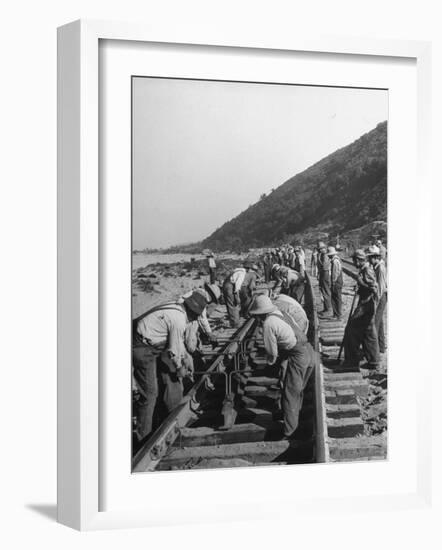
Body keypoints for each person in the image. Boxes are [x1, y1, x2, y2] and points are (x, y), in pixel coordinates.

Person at [132, 291, 208, 440]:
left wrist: (186, 358)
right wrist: (180, 368)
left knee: (161, 382)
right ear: (193, 313)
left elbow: (178, 344)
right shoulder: (179, 320)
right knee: (149, 393)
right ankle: (144, 438)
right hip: (141, 347)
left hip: (152, 343)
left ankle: (160, 418)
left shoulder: (177, 308)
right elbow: (173, 350)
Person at [249, 295, 316, 438]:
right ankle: (295, 419)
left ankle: (290, 431)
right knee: (297, 389)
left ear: (260, 314)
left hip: (298, 355)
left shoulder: (268, 324)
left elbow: (272, 353)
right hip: (309, 351)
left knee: (289, 393)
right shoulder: (280, 312)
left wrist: (269, 363)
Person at [342, 249, 380, 370]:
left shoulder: (367, 270)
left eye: (354, 260)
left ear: (359, 260)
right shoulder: (365, 269)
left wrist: (360, 282)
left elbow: (373, 288)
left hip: (366, 305)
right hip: (366, 304)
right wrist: (360, 287)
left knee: (351, 331)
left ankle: (352, 361)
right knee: (368, 333)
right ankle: (373, 361)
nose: (353, 262)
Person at [180, 283, 221, 348]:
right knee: (192, 329)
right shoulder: (202, 297)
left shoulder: (197, 291)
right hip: (183, 317)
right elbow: (202, 318)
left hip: (180, 313)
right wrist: (210, 334)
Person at [367, 245, 388, 353]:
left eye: (370, 258)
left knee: (374, 323)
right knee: (379, 323)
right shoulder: (377, 267)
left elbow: (380, 287)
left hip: (381, 297)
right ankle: (381, 346)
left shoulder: (380, 268)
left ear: (375, 257)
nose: (369, 260)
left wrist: (375, 301)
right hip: (381, 296)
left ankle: (374, 351)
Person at [327, 246, 343, 320]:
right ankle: (336, 314)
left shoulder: (335, 261)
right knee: (336, 298)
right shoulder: (335, 260)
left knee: (336, 298)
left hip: (336, 282)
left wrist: (332, 283)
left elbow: (335, 273)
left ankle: (337, 315)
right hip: (337, 281)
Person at [317, 241, 332, 314]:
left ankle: (328, 308)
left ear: (324, 248)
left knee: (326, 291)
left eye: (321, 248)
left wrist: (320, 272)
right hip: (323, 273)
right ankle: (326, 307)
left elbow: (325, 267)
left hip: (325, 274)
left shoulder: (325, 255)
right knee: (324, 291)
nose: (320, 250)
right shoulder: (322, 255)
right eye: (319, 249)